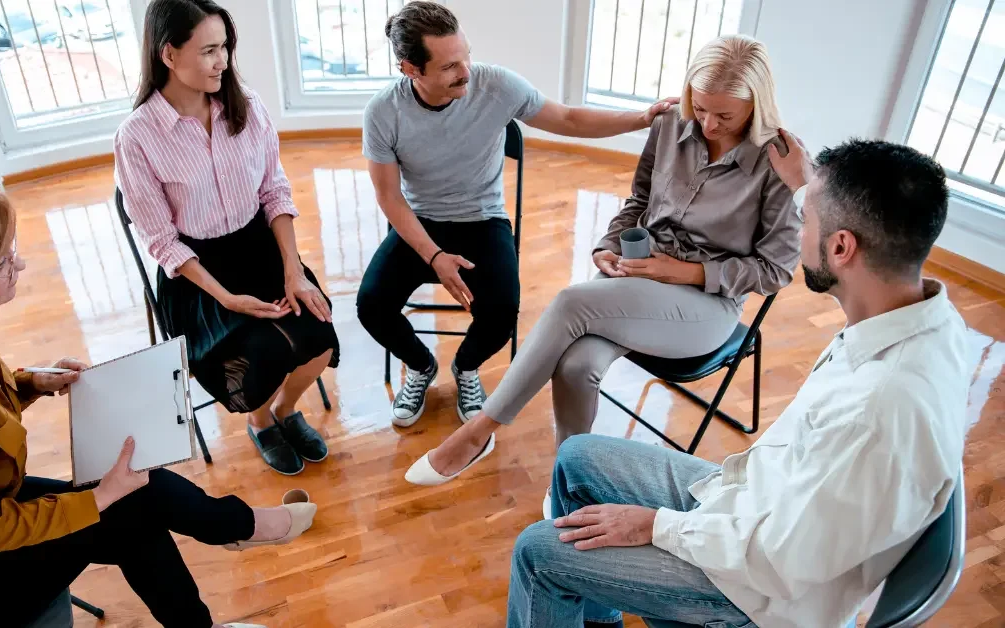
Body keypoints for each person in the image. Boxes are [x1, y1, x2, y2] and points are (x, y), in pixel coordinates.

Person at [504, 136, 971, 628]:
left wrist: (655, 526)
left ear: (840, 247)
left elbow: (782, 560)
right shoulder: (927, 315)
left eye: (804, 218)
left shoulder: (879, 410)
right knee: (577, 459)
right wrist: (802, 184)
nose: (797, 230)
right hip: (750, 507)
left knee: (539, 553)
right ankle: (599, 616)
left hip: (755, 589)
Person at [0, 177, 314, 628]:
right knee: (128, 504)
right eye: (1, 263)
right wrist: (99, 497)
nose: (18, 267)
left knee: (135, 505)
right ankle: (242, 527)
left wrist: (30, 383)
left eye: (12, 252)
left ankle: (232, 536)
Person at [405, 35, 802, 491]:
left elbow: (776, 271)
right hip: (637, 274)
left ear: (757, 103)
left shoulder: (780, 161)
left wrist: (686, 272)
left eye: (725, 115)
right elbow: (639, 201)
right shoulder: (673, 122)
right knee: (576, 366)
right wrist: (605, 247)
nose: (708, 123)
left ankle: (476, 434)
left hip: (706, 305)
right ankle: (572, 477)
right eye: (701, 106)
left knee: (572, 301)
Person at [357, 1, 678, 427]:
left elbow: (568, 119)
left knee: (502, 312)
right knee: (371, 306)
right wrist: (434, 255)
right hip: (422, 222)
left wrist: (640, 118)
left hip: (482, 219)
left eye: (466, 55)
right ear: (411, 70)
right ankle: (421, 366)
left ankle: (465, 367)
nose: (466, 71)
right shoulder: (383, 112)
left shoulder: (495, 85)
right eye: (450, 65)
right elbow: (389, 198)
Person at [115, 0, 338, 476]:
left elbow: (274, 191)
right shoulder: (137, 137)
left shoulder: (248, 107)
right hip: (199, 275)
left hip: (260, 248)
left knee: (319, 331)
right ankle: (260, 422)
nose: (223, 62)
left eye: (226, 48)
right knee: (264, 351)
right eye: (210, 50)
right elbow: (162, 241)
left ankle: (285, 410)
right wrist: (226, 298)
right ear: (168, 55)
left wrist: (294, 271)